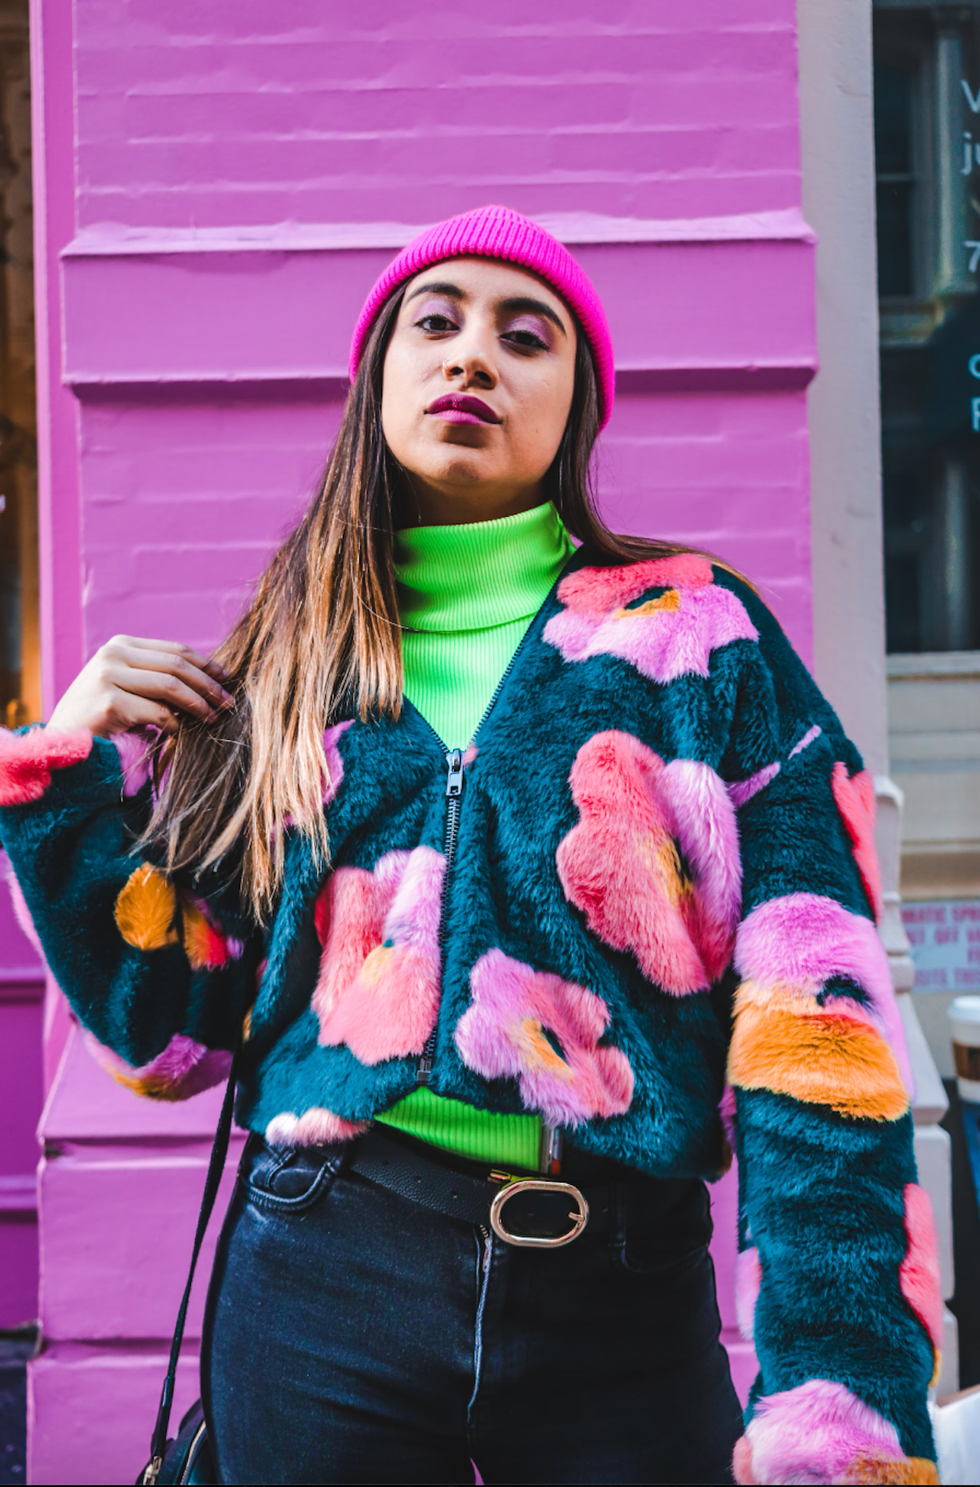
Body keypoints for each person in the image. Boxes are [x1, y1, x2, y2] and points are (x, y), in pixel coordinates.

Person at [0, 205, 941, 1486]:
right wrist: (58, 784)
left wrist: (840, 1406)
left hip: (620, 1304)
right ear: (379, 377)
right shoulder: (293, 668)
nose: (470, 356)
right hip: (325, 1283)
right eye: (432, 325)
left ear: (577, 406)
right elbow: (172, 1026)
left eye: (524, 334)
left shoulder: (701, 640)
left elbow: (817, 1040)